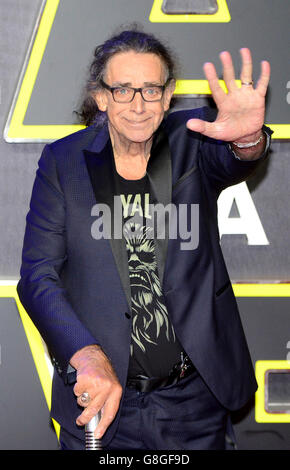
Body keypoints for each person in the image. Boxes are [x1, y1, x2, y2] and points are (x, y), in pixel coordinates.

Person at [17, 29, 272, 450]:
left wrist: (246, 139)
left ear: (168, 94)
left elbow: (234, 159)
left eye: (151, 90)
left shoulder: (194, 139)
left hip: (195, 398)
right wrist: (85, 355)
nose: (138, 105)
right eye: (123, 90)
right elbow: (38, 275)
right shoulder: (63, 161)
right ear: (101, 96)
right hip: (102, 398)